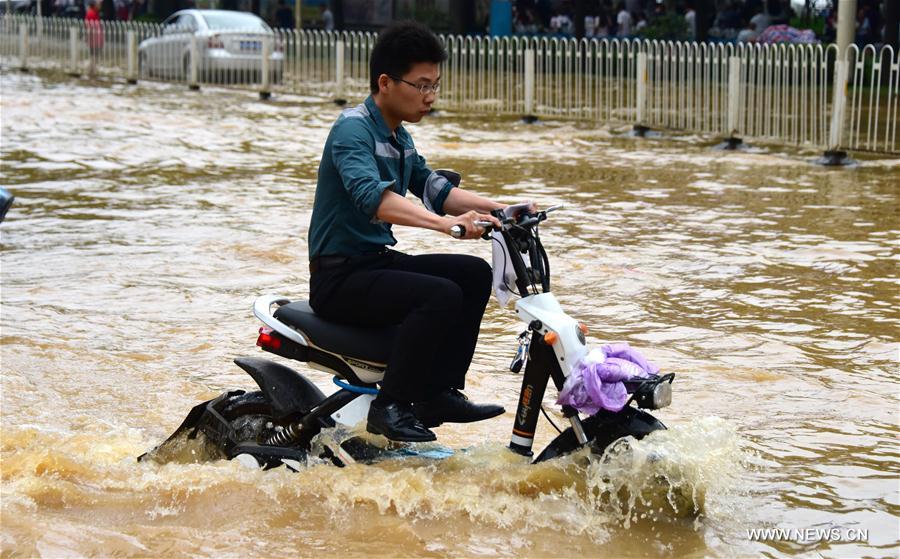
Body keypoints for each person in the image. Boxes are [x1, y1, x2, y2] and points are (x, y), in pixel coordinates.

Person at [307, 22, 522, 443]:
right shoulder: (352, 129)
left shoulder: (398, 137)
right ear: (385, 82)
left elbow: (433, 189)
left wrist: (505, 210)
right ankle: (391, 405)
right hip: (339, 277)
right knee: (439, 295)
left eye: (435, 86)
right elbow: (375, 198)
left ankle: (437, 392)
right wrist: (444, 225)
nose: (430, 97)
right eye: (421, 85)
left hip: (373, 264)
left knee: (472, 276)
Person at [84, 0, 103, 77]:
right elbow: (89, 26)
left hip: (96, 38)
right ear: (94, 5)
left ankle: (92, 69)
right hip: (94, 38)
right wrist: (88, 36)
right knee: (94, 54)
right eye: (98, 4)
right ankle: (92, 69)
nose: (100, 6)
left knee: (94, 54)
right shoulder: (91, 13)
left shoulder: (95, 12)